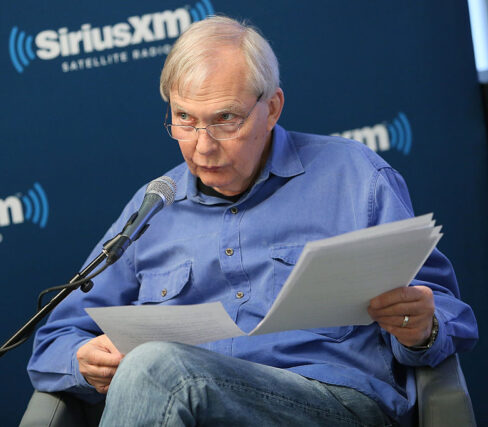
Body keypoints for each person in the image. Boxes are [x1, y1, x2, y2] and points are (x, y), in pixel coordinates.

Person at [27, 16, 478, 426]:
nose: (202, 147)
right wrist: (81, 359)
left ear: (273, 107)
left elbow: (444, 309)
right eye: (184, 119)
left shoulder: (356, 177)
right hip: (185, 411)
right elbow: (58, 336)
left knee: (157, 368)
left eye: (225, 119)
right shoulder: (153, 208)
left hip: (332, 405)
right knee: (157, 372)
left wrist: (423, 327)